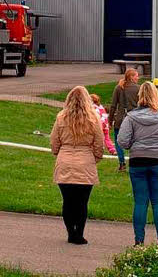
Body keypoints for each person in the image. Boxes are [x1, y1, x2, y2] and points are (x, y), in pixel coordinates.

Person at [117, 81, 158, 247]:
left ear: (140, 96)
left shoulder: (131, 117)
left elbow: (122, 141)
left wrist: (135, 145)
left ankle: (139, 241)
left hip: (138, 161)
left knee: (140, 202)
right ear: (156, 95)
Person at [50, 85, 104, 245]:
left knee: (68, 201)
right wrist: (95, 158)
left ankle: (70, 232)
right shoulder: (93, 118)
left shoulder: (61, 117)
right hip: (85, 161)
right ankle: (79, 233)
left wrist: (59, 153)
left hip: (65, 161)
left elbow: (54, 142)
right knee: (82, 202)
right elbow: (99, 143)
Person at [109, 68, 140, 172]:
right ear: (131, 77)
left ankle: (122, 163)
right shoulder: (138, 89)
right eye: (136, 75)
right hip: (135, 119)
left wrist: (109, 121)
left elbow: (113, 106)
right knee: (135, 141)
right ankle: (134, 163)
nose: (138, 77)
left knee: (118, 142)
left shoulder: (118, 88)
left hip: (120, 119)